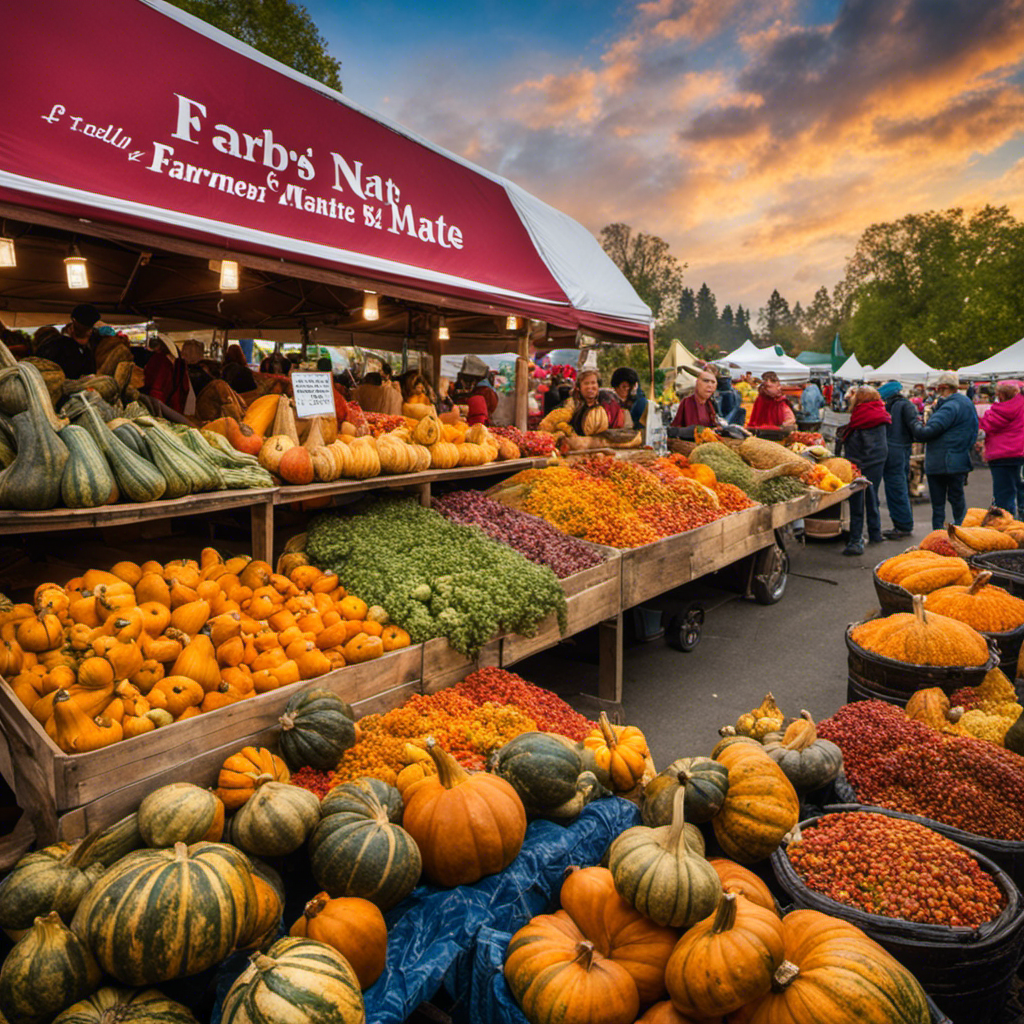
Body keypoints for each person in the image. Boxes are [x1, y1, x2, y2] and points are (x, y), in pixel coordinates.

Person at [910, 371, 979, 530]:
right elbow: (973, 431)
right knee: (958, 501)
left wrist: (915, 423)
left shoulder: (950, 406)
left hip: (942, 461)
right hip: (959, 459)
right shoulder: (966, 403)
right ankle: (963, 533)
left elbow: (928, 432)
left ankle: (938, 537)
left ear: (943, 387)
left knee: (939, 505)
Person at [836, 386, 891, 555]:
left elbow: (862, 441)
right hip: (878, 459)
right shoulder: (879, 412)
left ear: (860, 399)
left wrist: (855, 464)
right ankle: (875, 533)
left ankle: (856, 540)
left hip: (862, 461)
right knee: (872, 496)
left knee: (857, 501)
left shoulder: (862, 414)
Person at [878, 380, 919, 539]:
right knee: (898, 486)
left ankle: (903, 525)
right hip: (900, 449)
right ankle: (902, 523)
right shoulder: (904, 405)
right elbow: (914, 428)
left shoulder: (897, 406)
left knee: (896, 487)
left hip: (894, 450)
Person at [980, 381, 1024, 517]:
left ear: (1000, 395)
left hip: (999, 457)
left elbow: (983, 427)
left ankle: (1006, 525)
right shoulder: (1022, 405)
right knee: (1021, 489)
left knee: (1003, 493)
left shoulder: (994, 412)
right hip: (1020, 453)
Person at [35, 303, 100, 379]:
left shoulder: (92, 345)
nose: (89, 331)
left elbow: (90, 371)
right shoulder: (55, 345)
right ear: (74, 321)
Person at [669, 368, 718, 434]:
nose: (710, 385)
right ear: (697, 383)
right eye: (706, 381)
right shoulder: (686, 403)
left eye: (713, 382)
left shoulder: (711, 404)